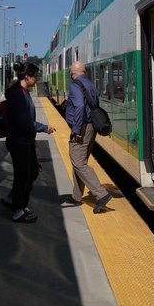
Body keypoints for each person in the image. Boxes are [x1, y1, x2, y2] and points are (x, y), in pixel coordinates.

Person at [2, 63, 53, 223]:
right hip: (19, 141)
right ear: (27, 77)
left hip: (24, 140)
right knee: (23, 175)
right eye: (35, 76)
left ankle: (18, 202)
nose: (37, 80)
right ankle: (18, 209)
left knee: (30, 172)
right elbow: (25, 121)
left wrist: (32, 139)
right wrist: (43, 128)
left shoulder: (23, 92)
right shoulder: (18, 95)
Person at [65, 60, 111, 213]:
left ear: (73, 73)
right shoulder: (90, 84)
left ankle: (101, 194)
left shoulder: (75, 85)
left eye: (71, 72)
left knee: (78, 162)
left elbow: (79, 106)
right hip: (91, 127)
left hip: (82, 128)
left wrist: (76, 130)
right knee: (79, 161)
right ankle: (76, 196)